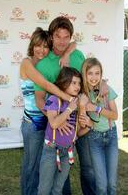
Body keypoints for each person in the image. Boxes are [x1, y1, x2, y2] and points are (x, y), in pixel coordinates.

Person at [34, 16, 96, 195]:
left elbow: (87, 81)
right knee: (61, 173)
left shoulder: (77, 55)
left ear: (70, 37)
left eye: (66, 37)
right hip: (59, 126)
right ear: (51, 36)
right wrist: (55, 120)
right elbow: (39, 98)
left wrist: (102, 85)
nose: (62, 41)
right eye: (57, 36)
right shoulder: (44, 64)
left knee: (88, 166)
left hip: (80, 118)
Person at [20, 27, 77, 195]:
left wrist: (67, 54)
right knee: (32, 166)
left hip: (48, 121)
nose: (42, 50)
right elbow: (46, 86)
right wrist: (69, 100)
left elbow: (74, 43)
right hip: (33, 123)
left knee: (52, 164)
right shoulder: (27, 63)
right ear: (32, 45)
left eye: (45, 46)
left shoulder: (45, 63)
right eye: (38, 45)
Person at [38, 67, 82, 195]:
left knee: (58, 189)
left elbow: (76, 129)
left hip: (68, 150)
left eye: (79, 83)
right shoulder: (54, 99)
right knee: (44, 189)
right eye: (73, 83)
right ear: (64, 82)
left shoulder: (76, 102)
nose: (77, 86)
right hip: (52, 149)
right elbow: (54, 123)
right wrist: (69, 109)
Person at [78, 58, 118, 195]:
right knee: (101, 186)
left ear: (101, 75)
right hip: (95, 139)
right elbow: (82, 124)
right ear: (85, 74)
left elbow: (115, 116)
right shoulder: (83, 94)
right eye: (90, 73)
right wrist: (82, 106)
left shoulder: (106, 90)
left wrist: (97, 108)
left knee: (111, 184)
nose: (94, 77)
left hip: (111, 135)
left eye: (97, 73)